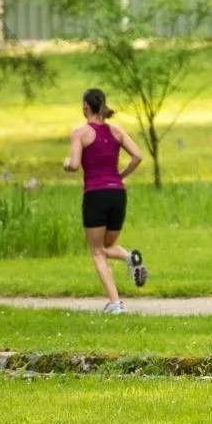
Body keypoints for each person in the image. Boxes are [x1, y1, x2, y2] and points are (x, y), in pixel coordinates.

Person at [62, 88, 146, 315]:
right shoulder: (116, 131)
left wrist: (66, 162)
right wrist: (120, 176)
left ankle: (115, 303)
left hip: (95, 195)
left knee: (97, 251)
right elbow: (138, 156)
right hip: (118, 194)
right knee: (106, 247)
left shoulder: (80, 133)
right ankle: (129, 258)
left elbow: (75, 165)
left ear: (86, 107)